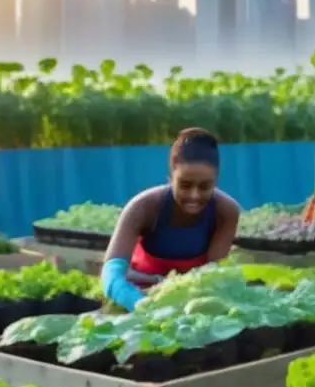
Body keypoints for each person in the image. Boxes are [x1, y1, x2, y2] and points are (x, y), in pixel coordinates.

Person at [100, 127, 241, 311]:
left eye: (205, 187)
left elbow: (212, 276)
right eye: (185, 185)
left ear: (216, 180)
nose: (194, 195)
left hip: (191, 304)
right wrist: (144, 306)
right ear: (171, 173)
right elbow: (112, 277)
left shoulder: (226, 211)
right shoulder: (143, 207)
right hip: (137, 298)